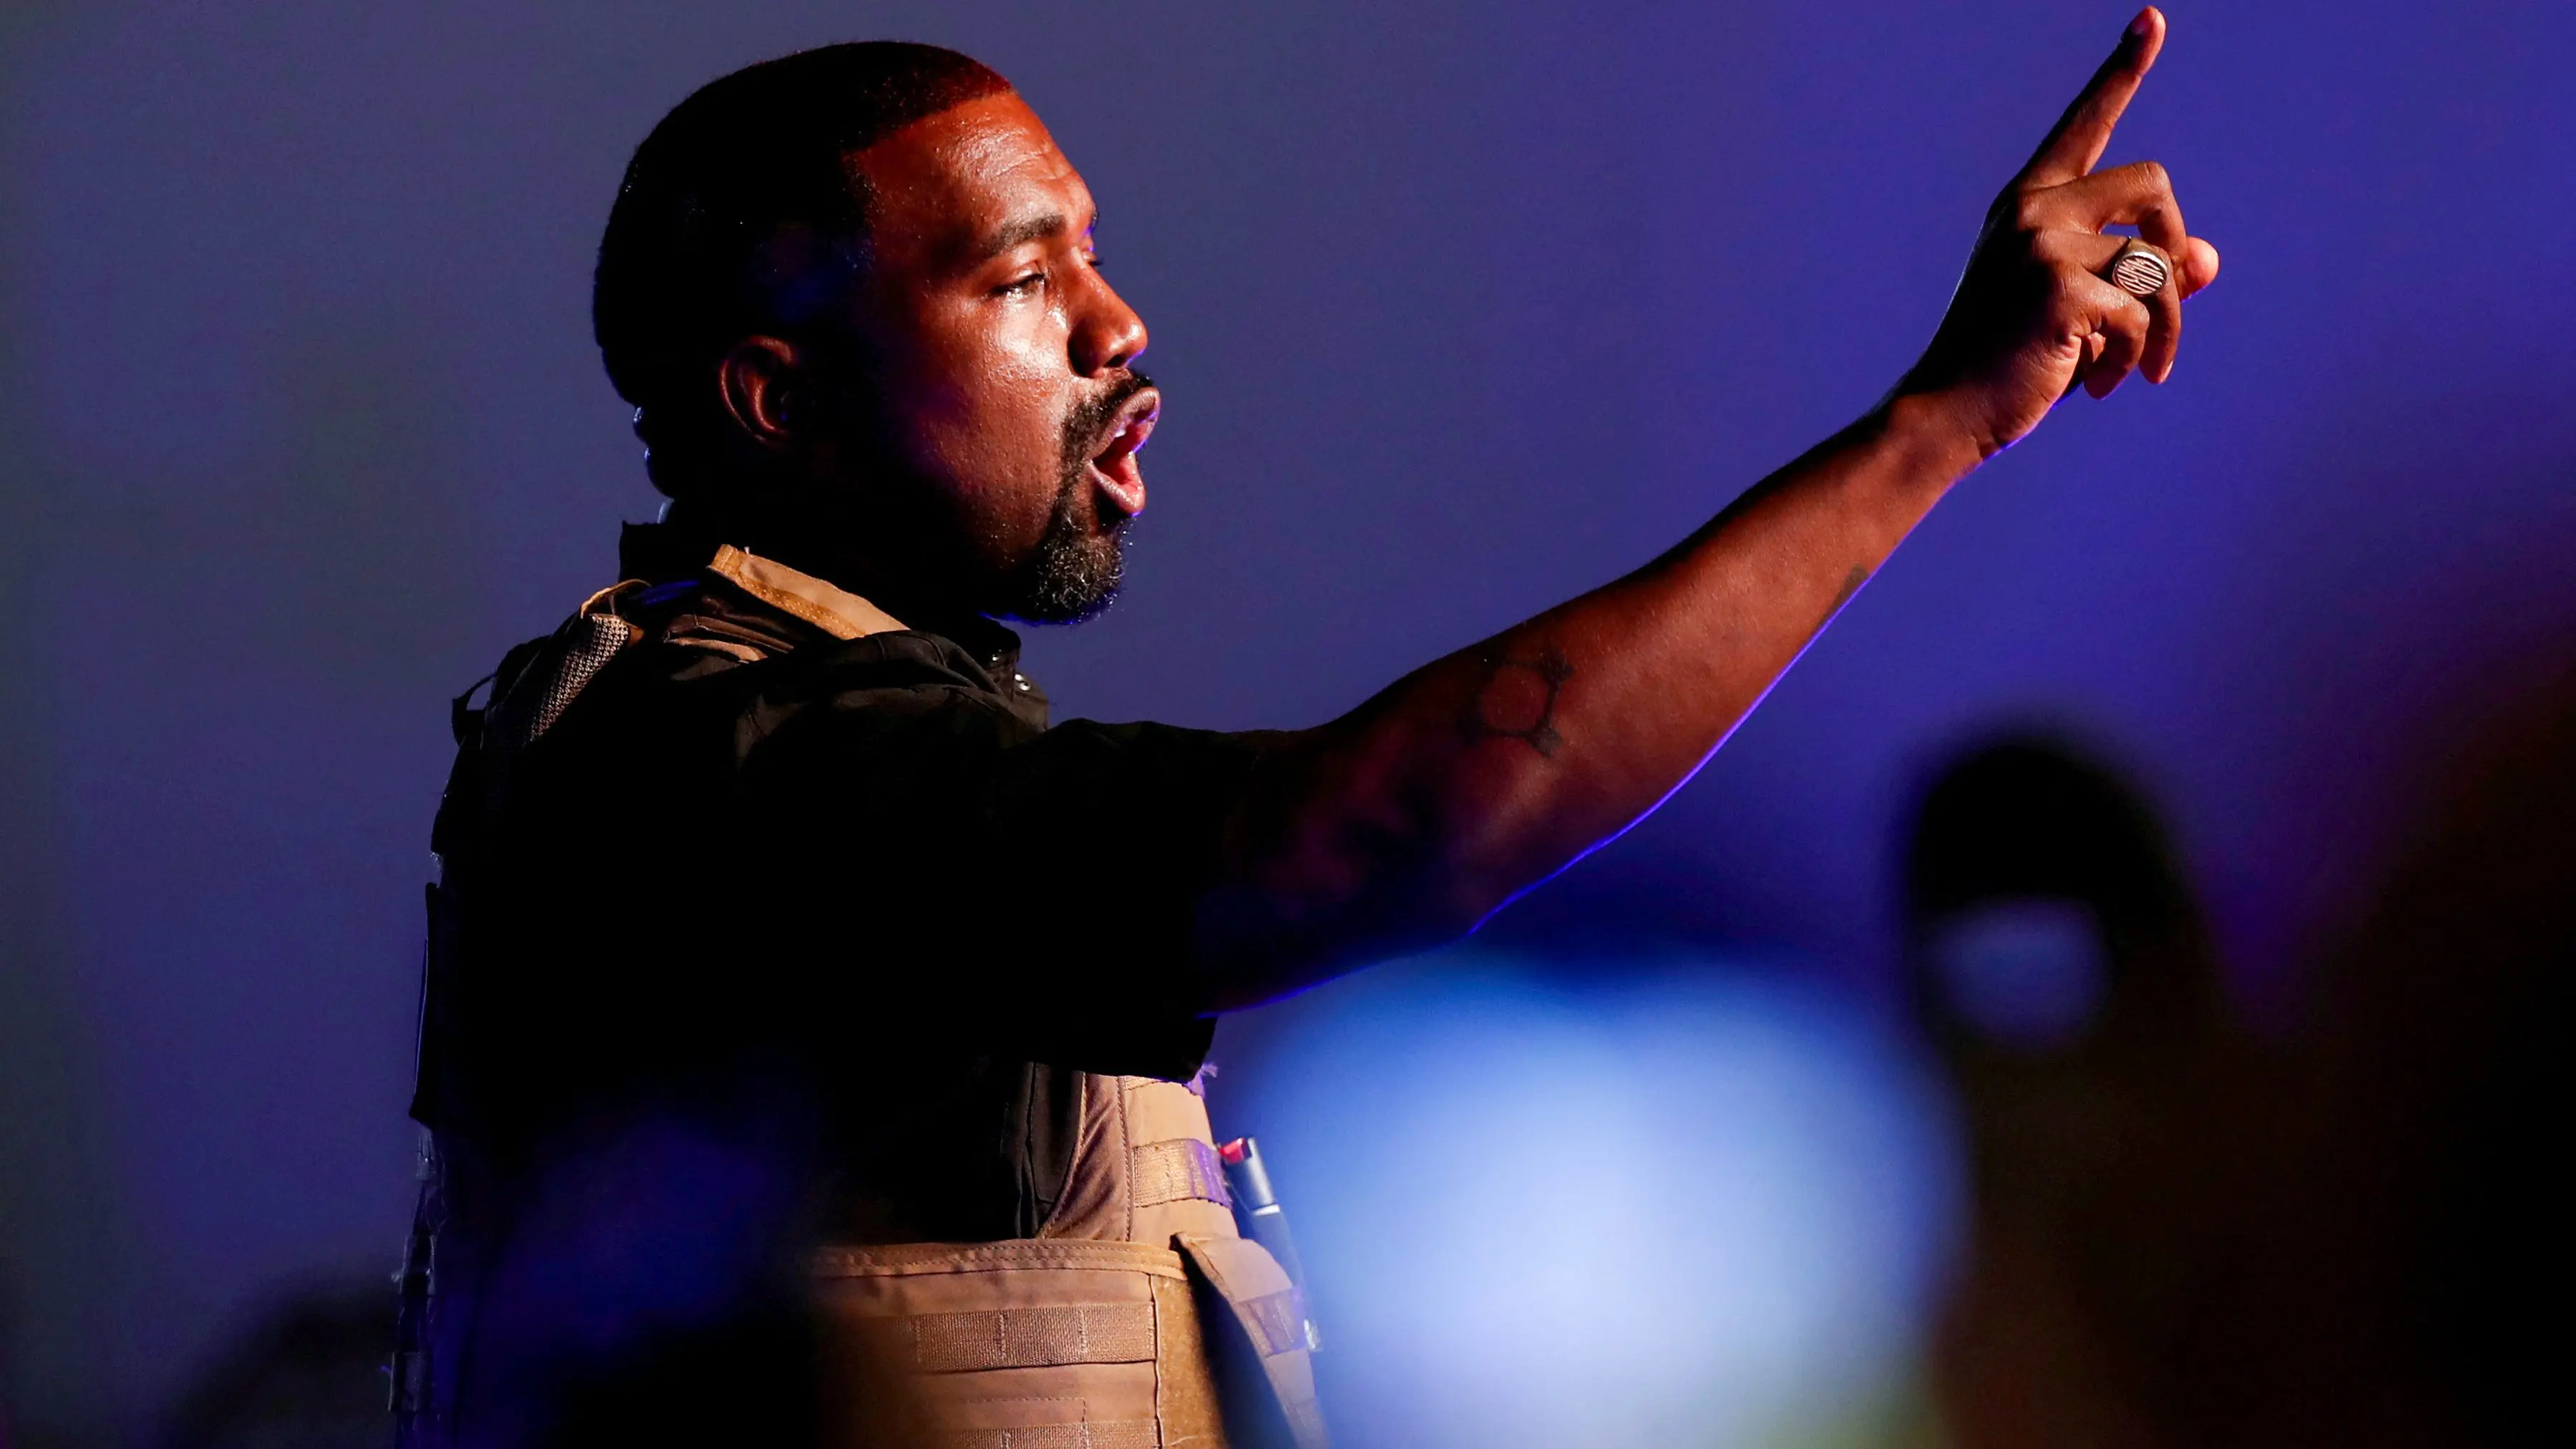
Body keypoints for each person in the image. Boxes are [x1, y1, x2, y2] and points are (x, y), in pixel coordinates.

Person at [394, 11, 2218, 1447]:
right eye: (1025, 280)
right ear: (775, 401)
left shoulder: (877, 742)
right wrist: (1937, 425)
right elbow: (1385, 831)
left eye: (1093, 256)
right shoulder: (711, 766)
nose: (1120, 324)